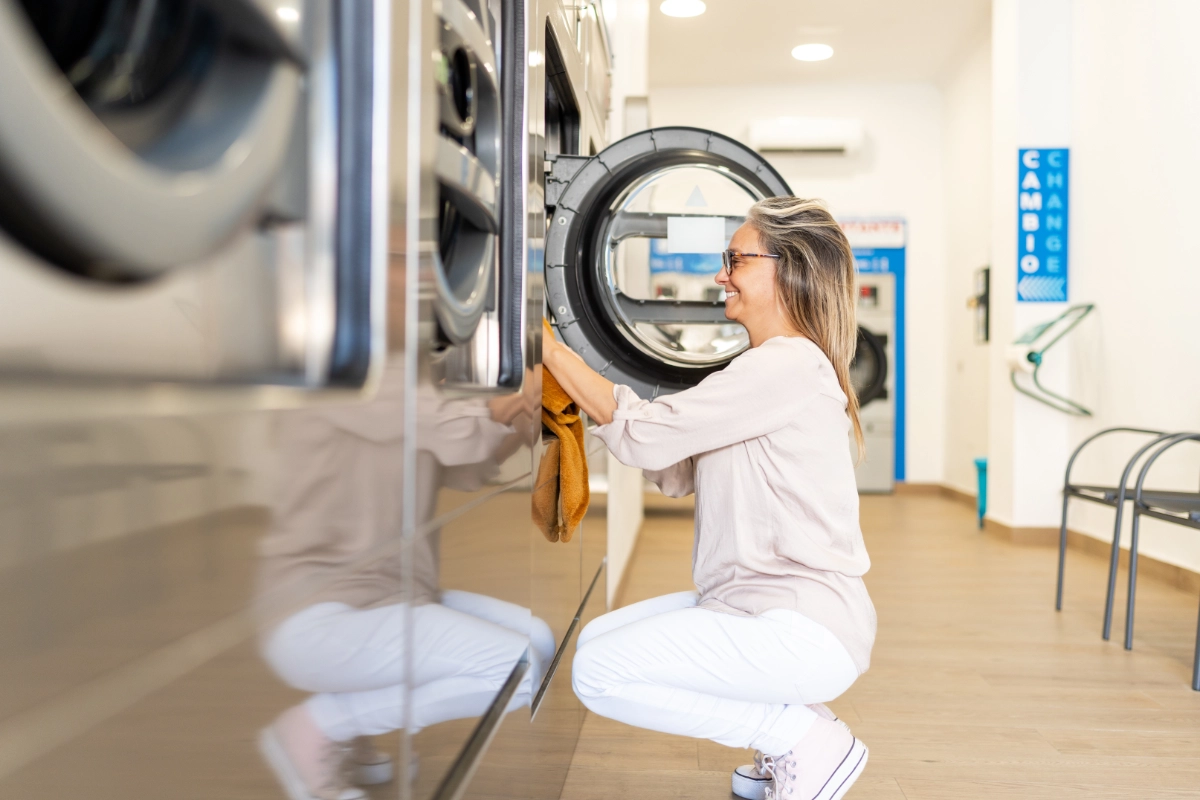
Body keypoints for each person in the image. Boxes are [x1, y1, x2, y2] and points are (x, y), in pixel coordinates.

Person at [544, 198, 876, 800]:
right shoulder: (770, 369)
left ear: (787, 269)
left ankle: (795, 736)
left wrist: (543, 345)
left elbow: (644, 435)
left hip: (798, 624)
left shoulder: (785, 367)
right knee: (595, 645)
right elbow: (675, 468)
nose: (721, 274)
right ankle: (805, 725)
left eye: (736, 259)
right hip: (759, 607)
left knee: (598, 674)